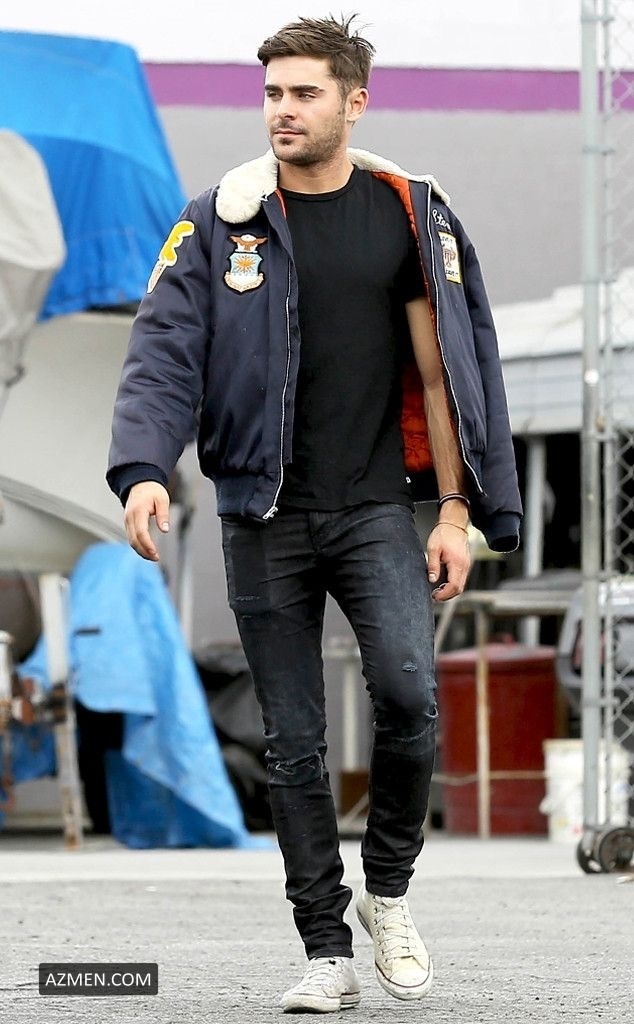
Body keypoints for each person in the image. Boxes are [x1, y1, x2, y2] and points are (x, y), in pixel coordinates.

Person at [107, 14, 522, 1014]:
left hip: (378, 507)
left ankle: (389, 892)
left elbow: (443, 375)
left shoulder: (405, 215)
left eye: (304, 93)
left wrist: (454, 511)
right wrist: (144, 468)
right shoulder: (221, 220)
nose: (282, 111)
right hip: (263, 511)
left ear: (353, 102)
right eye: (272, 94)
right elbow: (163, 351)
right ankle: (326, 949)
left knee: (409, 696)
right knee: (293, 741)